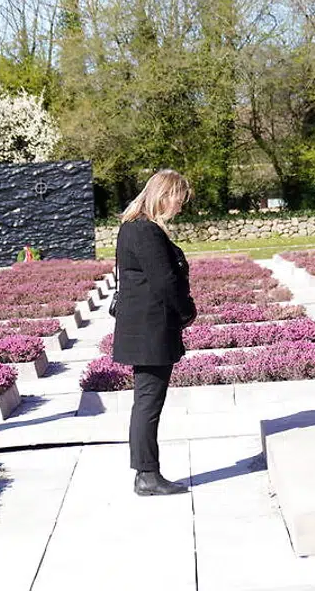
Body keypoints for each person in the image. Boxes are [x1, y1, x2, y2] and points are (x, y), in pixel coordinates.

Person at [111, 169, 196, 496]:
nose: (180, 205)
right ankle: (147, 474)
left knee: (145, 402)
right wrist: (187, 311)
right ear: (163, 194)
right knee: (147, 403)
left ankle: (146, 472)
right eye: (179, 198)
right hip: (150, 331)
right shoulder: (146, 231)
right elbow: (165, 282)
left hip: (144, 329)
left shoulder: (131, 227)